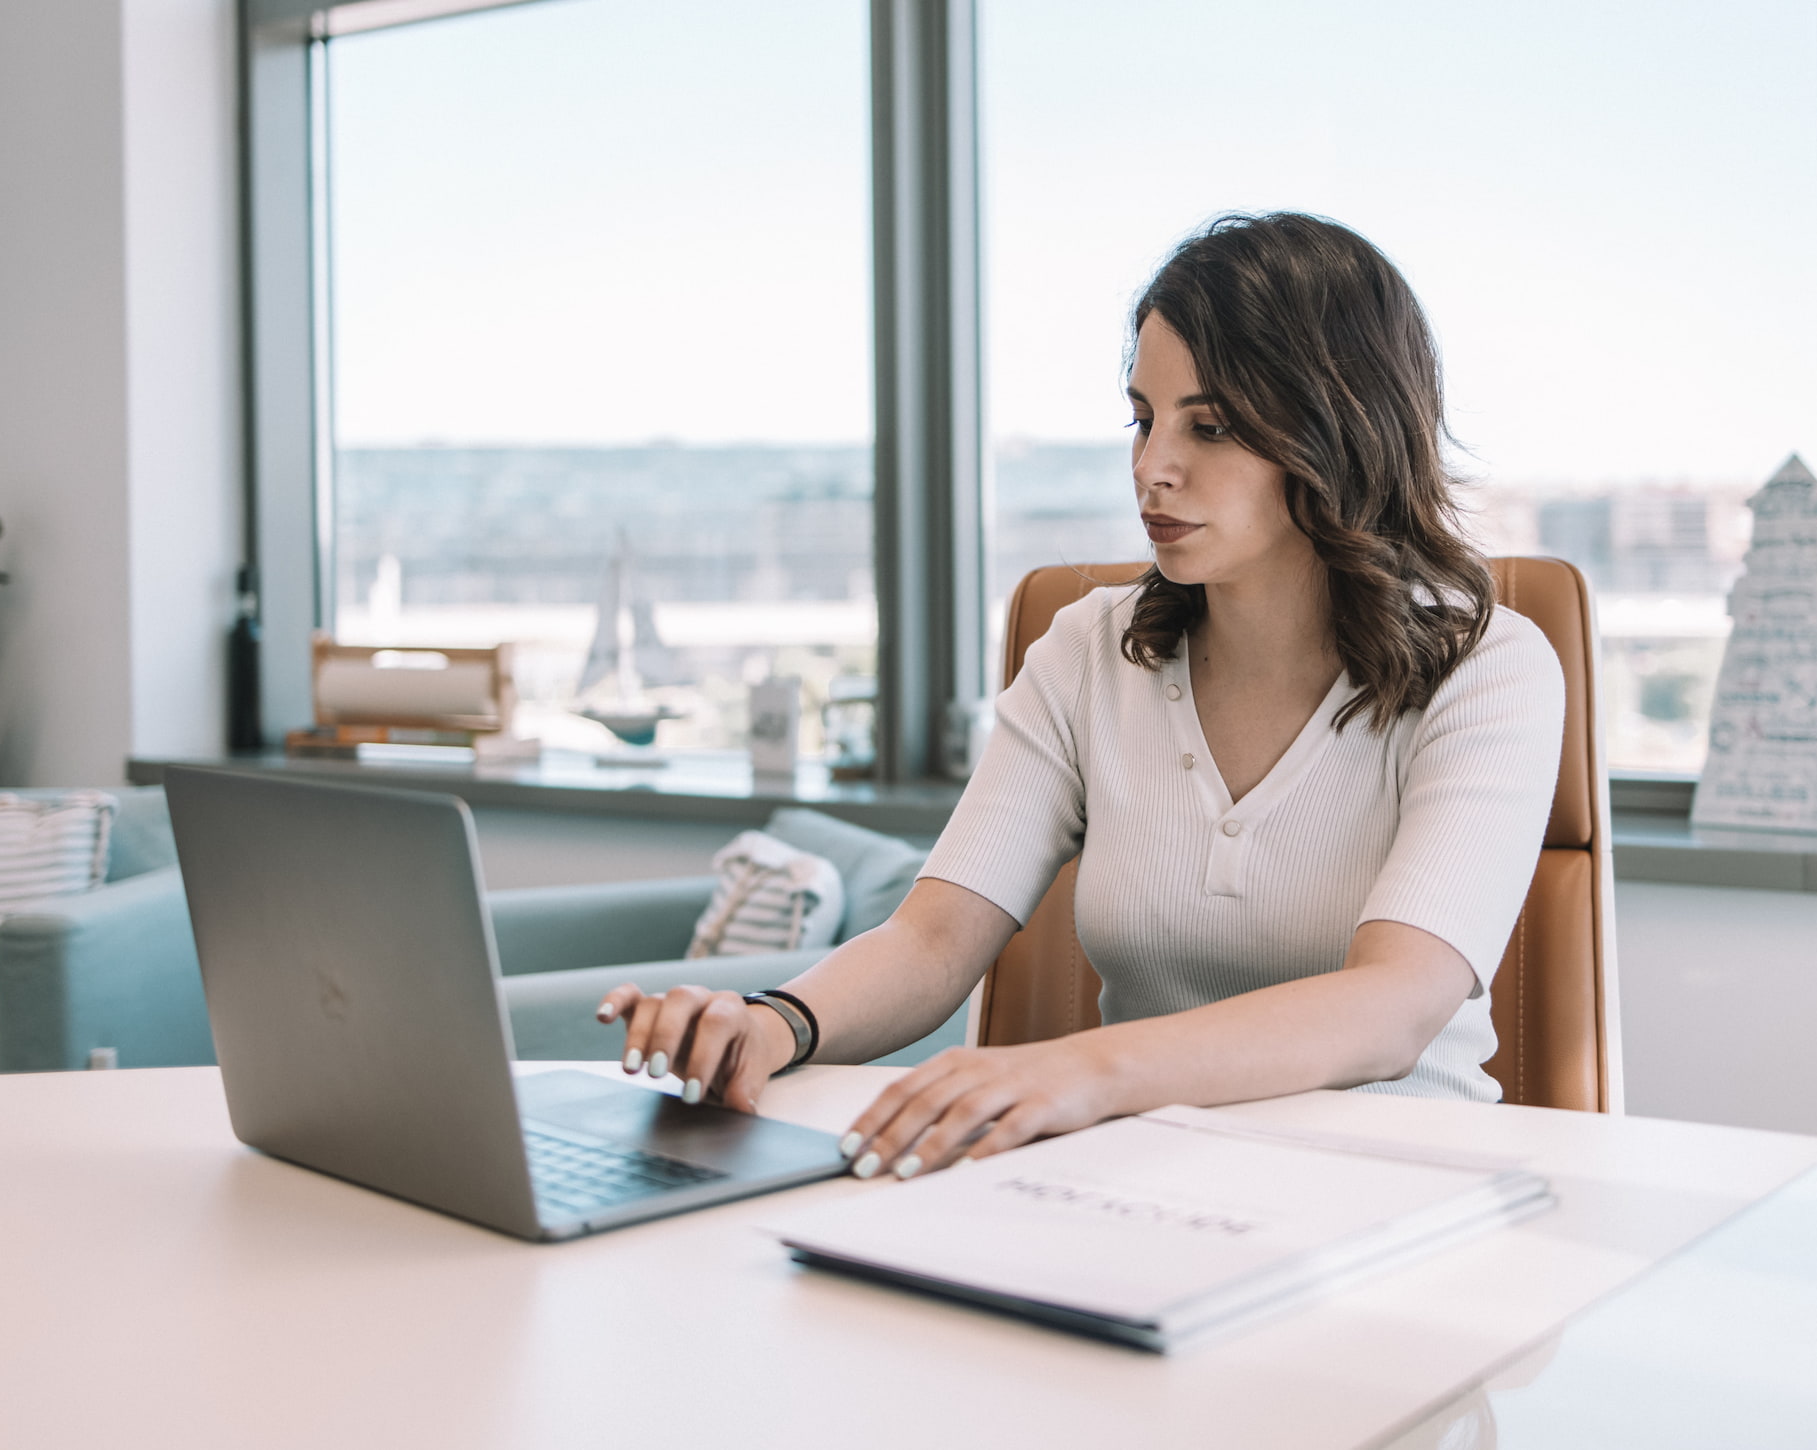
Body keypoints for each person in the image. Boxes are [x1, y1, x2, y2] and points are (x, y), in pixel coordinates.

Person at [595, 212, 1563, 1182]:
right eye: (1142, 418)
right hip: (1141, 1183)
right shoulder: (1087, 651)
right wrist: (775, 1022)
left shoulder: (1487, 667)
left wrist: (1079, 1070)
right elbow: (933, 936)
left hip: (1396, 1183)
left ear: (1337, 428)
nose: (1152, 467)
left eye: (1209, 426)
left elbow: (1388, 1007)